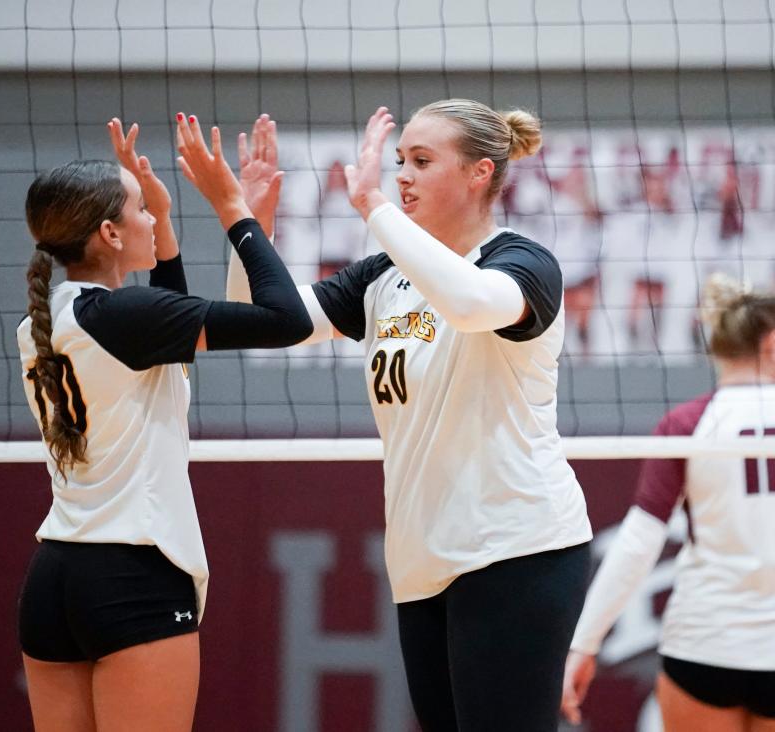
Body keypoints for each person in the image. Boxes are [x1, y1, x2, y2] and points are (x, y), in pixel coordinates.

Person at [228, 100, 594, 731]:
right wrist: (247, 221)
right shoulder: (382, 279)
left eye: (422, 162)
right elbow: (262, 323)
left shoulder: (524, 263)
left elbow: (471, 304)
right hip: (422, 559)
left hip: (517, 546)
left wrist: (373, 208)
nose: (403, 176)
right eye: (400, 162)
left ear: (481, 173)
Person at [15, 113, 310, 732]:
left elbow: (160, 325)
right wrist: (236, 210)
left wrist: (167, 226)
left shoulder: (49, 321)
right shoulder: (126, 318)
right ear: (109, 234)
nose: (151, 214)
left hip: (56, 580)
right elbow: (287, 321)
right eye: (140, 210)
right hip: (134, 574)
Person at [561, 275, 775, 731]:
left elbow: (639, 542)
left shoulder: (687, 423)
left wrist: (584, 644)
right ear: (771, 343)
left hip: (705, 646)